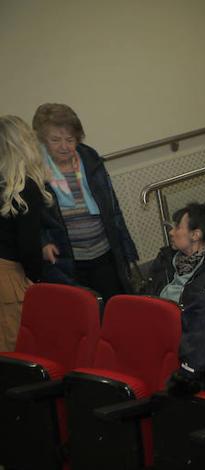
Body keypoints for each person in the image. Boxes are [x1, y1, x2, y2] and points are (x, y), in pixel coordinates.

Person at [33, 103, 138, 300]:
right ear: (43, 140)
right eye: (55, 140)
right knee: (83, 314)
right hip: (68, 260)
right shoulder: (37, 170)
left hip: (104, 252)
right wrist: (43, 242)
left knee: (115, 306)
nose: (64, 146)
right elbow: (33, 215)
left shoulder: (90, 160)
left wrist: (127, 250)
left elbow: (113, 209)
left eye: (70, 139)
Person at [0, 115, 51, 351]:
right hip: (9, 276)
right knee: (18, 349)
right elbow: (28, 246)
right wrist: (35, 277)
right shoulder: (23, 187)